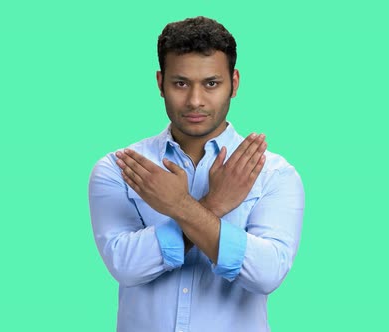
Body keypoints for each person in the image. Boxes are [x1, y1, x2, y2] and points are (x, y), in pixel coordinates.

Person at [88, 16, 304, 332]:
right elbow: (126, 265)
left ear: (235, 83)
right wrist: (214, 204)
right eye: (181, 83)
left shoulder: (273, 173)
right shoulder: (121, 168)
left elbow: (266, 274)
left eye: (211, 83)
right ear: (160, 83)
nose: (195, 101)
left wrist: (180, 206)